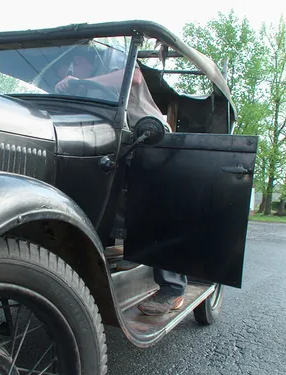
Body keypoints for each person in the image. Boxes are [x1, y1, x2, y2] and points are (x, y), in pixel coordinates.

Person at [54, 45, 187, 316]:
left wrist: (82, 81)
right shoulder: (80, 80)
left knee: (155, 207)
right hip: (115, 136)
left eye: (73, 66)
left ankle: (173, 287)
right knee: (106, 193)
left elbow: (135, 77)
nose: (71, 71)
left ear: (82, 59)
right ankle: (125, 253)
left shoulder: (110, 52)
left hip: (149, 134)